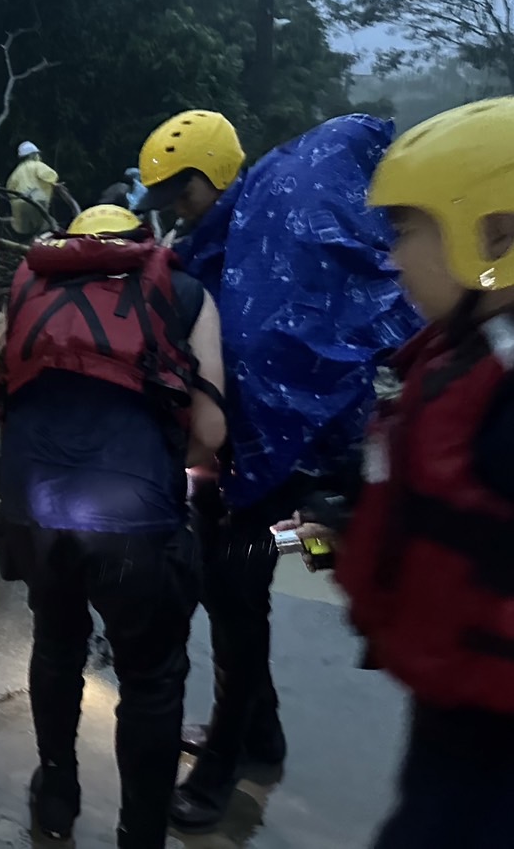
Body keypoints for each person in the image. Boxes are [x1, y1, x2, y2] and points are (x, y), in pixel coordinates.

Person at [135, 109, 420, 830]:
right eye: (165, 201)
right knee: (228, 585)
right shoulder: (229, 235)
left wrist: (245, 468)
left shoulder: (279, 224)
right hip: (248, 454)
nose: (175, 212)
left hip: (287, 455)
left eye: (182, 194)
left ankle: (224, 763)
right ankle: (259, 731)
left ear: (216, 176)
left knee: (236, 590)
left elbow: (273, 352)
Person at [280, 98, 514, 849]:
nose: (391, 255)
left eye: (408, 229)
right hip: (453, 712)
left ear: (494, 233)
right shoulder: (464, 355)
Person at [0, 204, 225, 849]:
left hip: (35, 513)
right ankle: (139, 833)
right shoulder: (185, 292)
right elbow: (210, 433)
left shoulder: (30, 282)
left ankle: (57, 792)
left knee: (58, 645)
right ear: (141, 243)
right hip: (133, 525)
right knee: (151, 680)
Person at [6, 141, 60, 239]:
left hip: (19, 205)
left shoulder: (17, 171)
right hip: (37, 201)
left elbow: (10, 189)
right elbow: (52, 175)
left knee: (26, 233)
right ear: (34, 154)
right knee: (44, 229)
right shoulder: (36, 165)